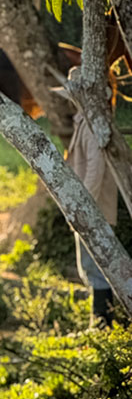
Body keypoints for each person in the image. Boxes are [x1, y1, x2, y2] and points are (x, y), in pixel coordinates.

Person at [59, 66, 119, 326]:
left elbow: (96, 168)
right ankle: (101, 322)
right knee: (89, 266)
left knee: (96, 268)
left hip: (94, 206)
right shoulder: (84, 119)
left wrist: (84, 206)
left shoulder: (93, 123)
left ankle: (103, 323)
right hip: (87, 204)